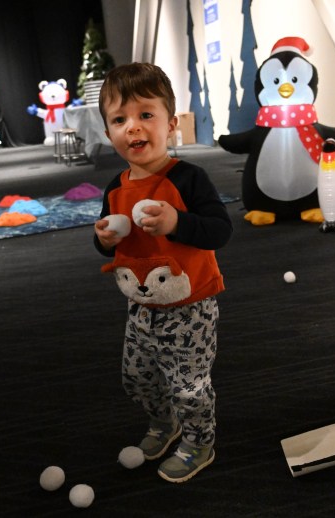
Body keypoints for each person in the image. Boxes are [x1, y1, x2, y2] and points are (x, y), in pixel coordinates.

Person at [94, 63, 232, 483]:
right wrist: (104, 239)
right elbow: (103, 240)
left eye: (145, 115)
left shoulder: (189, 179)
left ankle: (198, 440)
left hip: (190, 307)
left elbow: (220, 230)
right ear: (108, 133)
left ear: (171, 125)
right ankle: (164, 424)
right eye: (120, 119)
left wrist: (177, 223)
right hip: (141, 308)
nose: (133, 128)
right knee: (138, 378)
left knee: (189, 386)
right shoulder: (116, 188)